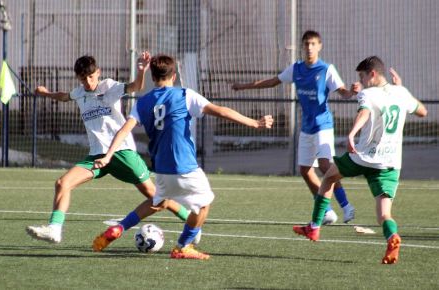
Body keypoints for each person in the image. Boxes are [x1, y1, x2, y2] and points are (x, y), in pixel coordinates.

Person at [91, 53, 274, 259]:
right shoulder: (185, 95)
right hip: (184, 167)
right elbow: (220, 111)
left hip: (160, 168)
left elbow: (124, 130)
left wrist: (108, 155)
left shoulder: (142, 103)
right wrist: (254, 123)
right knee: (203, 206)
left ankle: (119, 228)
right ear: (174, 76)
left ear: (152, 76)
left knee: (158, 202)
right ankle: (183, 246)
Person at [26, 52, 191, 244]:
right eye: (83, 78)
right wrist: (45, 93)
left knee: (156, 197)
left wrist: (141, 71)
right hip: (97, 157)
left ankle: (190, 220)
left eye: (91, 76)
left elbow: (136, 87)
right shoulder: (79, 93)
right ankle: (54, 229)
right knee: (63, 183)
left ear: (98, 72)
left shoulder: (109, 87)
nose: (88, 82)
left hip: (122, 153)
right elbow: (64, 97)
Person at [292, 56, 427, 264]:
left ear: (372, 74)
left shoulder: (368, 93)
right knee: (384, 215)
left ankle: (314, 227)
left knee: (328, 178)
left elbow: (364, 112)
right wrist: (404, 89)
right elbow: (422, 111)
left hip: (364, 156)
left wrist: (352, 133)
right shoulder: (401, 92)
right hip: (390, 163)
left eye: (362, 76)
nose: (361, 81)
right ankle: (392, 237)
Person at [232, 30, 358, 224]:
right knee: (305, 171)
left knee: (326, 166)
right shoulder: (296, 69)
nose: (309, 48)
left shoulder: (326, 70)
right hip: (306, 128)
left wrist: (351, 91)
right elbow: (273, 81)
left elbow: (342, 92)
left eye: (313, 44)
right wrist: (244, 86)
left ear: (319, 46)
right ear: (302, 46)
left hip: (323, 126)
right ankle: (326, 211)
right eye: (306, 44)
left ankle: (347, 207)